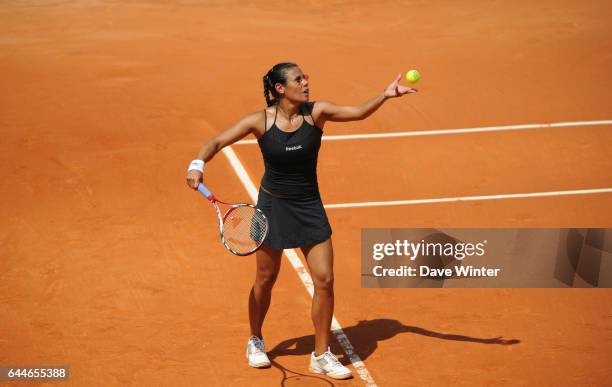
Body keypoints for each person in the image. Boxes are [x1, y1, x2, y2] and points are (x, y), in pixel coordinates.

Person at [185, 62, 416, 379]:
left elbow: (359, 112)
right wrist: (197, 165)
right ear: (281, 88)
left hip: (309, 206)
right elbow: (215, 143)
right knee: (265, 279)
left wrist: (385, 95)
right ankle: (255, 338)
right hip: (272, 209)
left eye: (305, 77)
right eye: (298, 79)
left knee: (325, 279)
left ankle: (321, 354)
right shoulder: (261, 121)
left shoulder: (316, 113)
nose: (306, 82)